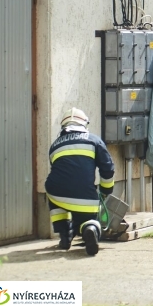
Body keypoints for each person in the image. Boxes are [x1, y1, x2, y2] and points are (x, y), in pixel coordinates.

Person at [45, 107, 115, 256]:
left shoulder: (55, 145)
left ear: (64, 126)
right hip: (84, 196)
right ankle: (89, 229)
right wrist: (105, 190)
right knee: (89, 218)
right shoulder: (94, 140)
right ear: (84, 125)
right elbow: (108, 168)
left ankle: (65, 237)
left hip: (55, 192)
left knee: (57, 202)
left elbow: (60, 173)